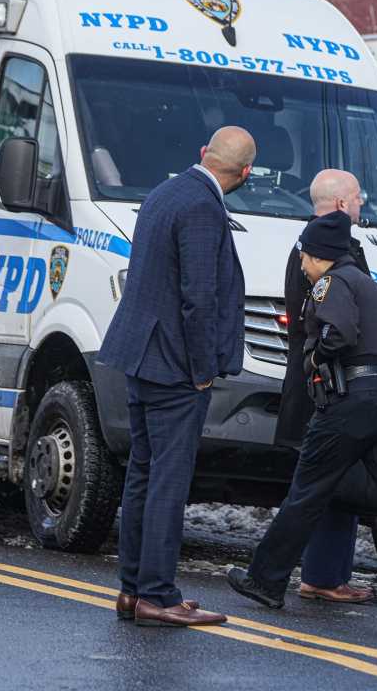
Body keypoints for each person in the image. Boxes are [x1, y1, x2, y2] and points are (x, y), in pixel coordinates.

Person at [228, 211, 377, 626]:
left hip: (354, 401)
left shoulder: (330, 283)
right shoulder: (371, 286)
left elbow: (340, 333)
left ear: (320, 255)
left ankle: (265, 579)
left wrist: (316, 357)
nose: (301, 263)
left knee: (307, 489)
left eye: (304, 256)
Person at [97, 125, 257, 627]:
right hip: (176, 366)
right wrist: (204, 369)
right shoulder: (204, 209)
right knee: (168, 479)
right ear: (247, 173)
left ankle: (133, 589)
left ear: (203, 152)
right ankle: (158, 595)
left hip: (142, 355)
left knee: (143, 474)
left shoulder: (165, 192)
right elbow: (198, 296)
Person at [277, 169, 372, 605]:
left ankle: (325, 573)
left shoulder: (312, 243)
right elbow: (334, 319)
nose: (361, 204)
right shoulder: (327, 248)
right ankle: (321, 575)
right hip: (327, 383)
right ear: (339, 204)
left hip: (319, 381)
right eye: (356, 198)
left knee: (328, 482)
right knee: (330, 484)